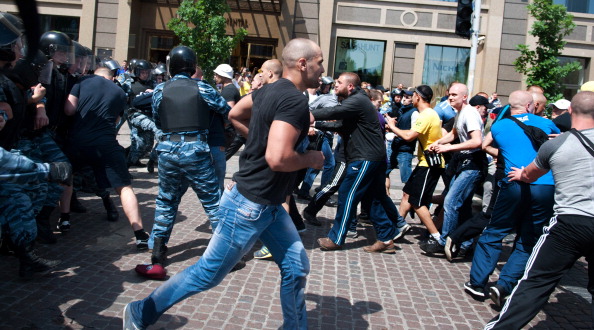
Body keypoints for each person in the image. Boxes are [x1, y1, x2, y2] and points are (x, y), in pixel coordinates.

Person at [123, 38, 324, 329]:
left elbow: (235, 114)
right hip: (249, 205)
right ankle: (141, 311)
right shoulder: (293, 99)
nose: (321, 70)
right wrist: (311, 158)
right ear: (303, 64)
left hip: (268, 205)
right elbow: (279, 159)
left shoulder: (269, 91)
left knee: (295, 266)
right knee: (207, 274)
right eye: (318, 63)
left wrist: (261, 140)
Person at [485, 90, 594, 329]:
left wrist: (520, 173)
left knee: (535, 282)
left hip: (569, 224)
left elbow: (529, 173)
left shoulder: (556, 144)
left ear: (570, 112)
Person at [133, 46, 230, 280]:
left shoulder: (159, 90)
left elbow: (158, 118)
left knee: (166, 200)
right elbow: (224, 108)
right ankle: (224, 255)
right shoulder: (202, 87)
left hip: (167, 150)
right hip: (196, 149)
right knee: (212, 201)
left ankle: (157, 252)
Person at [463, 90, 559, 303]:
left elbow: (490, 147)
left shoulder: (499, 127)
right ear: (529, 106)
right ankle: (505, 284)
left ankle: (477, 283)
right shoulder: (546, 123)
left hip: (514, 183)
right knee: (528, 238)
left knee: (495, 231)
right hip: (545, 186)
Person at [312, 72, 400, 253]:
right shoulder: (356, 101)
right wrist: (316, 125)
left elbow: (333, 112)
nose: (335, 85)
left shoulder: (357, 100)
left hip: (365, 157)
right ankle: (386, 239)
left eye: (339, 82)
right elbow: (340, 125)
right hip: (372, 157)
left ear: (350, 86)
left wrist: (306, 114)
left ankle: (336, 238)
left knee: (347, 194)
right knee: (372, 198)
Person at [63, 67, 149, 250]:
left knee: (66, 177)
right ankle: (140, 233)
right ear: (111, 78)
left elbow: (69, 110)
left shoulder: (82, 82)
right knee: (124, 187)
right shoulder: (119, 92)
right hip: (106, 144)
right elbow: (117, 121)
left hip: (78, 141)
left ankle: (64, 219)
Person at [420, 84, 486, 255]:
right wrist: (438, 142)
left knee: (450, 201)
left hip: (473, 164)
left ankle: (444, 242)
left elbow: (477, 141)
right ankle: (465, 244)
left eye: (455, 95)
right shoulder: (460, 113)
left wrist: (449, 148)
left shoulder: (470, 113)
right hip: (465, 163)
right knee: (462, 205)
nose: (450, 97)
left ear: (465, 97)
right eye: (449, 95)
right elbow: (453, 134)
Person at [384, 85, 444, 243]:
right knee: (407, 194)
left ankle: (437, 237)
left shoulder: (426, 115)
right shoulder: (428, 114)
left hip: (430, 164)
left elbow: (409, 136)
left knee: (416, 202)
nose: (410, 99)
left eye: (413, 96)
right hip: (425, 162)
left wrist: (392, 127)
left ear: (418, 96)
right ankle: (398, 227)